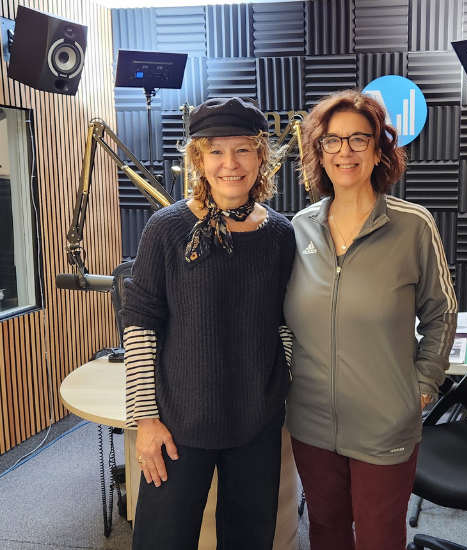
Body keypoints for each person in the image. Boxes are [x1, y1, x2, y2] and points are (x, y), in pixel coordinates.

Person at [285, 89, 458, 549]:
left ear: (379, 150)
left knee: (380, 538)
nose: (345, 151)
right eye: (332, 140)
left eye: (359, 139)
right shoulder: (298, 229)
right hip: (311, 422)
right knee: (326, 531)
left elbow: (442, 312)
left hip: (385, 421)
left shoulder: (414, 225)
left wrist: (423, 386)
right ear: (319, 152)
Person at [121, 97, 296, 549]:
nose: (230, 164)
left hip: (256, 422)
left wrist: (280, 381)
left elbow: (285, 321)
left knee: (249, 541)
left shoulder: (280, 234)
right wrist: (145, 419)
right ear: (198, 159)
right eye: (216, 151)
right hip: (178, 423)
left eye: (243, 150)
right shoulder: (166, 228)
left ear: (261, 156)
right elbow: (140, 323)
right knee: (162, 541)